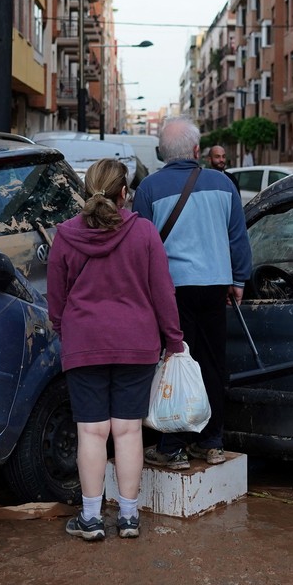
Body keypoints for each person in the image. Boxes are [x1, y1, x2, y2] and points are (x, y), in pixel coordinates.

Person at [48, 158, 185, 541]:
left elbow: (55, 298)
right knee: (127, 432)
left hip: (84, 342)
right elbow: (163, 292)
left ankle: (90, 519)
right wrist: (173, 340)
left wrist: (63, 327)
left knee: (91, 432)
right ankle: (128, 518)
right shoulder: (143, 233)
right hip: (136, 344)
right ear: (124, 193)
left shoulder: (65, 235)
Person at [133, 116, 252, 468]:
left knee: (176, 362)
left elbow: (141, 245)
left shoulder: (149, 189)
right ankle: (212, 442)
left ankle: (172, 447)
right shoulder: (223, 184)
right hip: (215, 286)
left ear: (162, 153)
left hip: (171, 291)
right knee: (213, 365)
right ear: (198, 150)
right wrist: (239, 280)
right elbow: (238, 237)